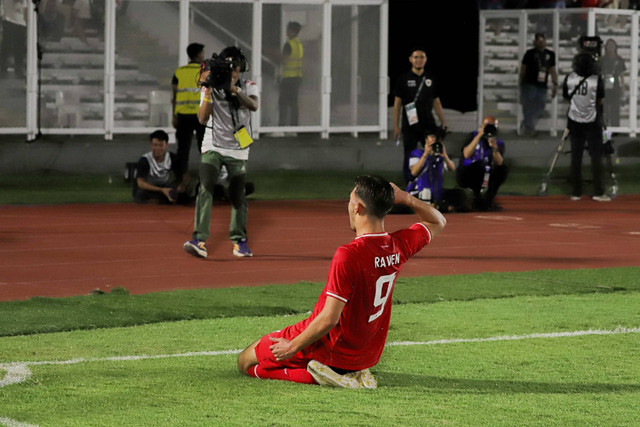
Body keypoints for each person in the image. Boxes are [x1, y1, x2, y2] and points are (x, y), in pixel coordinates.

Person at [236, 175, 446, 388]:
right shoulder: (399, 245)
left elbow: (328, 319)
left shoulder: (349, 254)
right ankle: (345, 372)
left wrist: (292, 346)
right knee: (269, 361)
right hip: (365, 354)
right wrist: (405, 198)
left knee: (245, 362)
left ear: (358, 208)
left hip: (332, 349)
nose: (348, 206)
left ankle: (326, 376)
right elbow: (438, 220)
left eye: (350, 200)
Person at [183, 46, 259, 259]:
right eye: (228, 67)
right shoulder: (212, 86)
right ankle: (199, 240)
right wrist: (207, 91)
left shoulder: (249, 85)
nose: (232, 72)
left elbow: (253, 106)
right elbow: (202, 119)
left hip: (238, 149)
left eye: (234, 67)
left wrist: (235, 90)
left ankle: (239, 241)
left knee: (237, 195)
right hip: (212, 145)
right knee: (205, 188)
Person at [393, 47, 448, 183]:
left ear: (426, 60)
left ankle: (433, 176)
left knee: (433, 149)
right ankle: (409, 179)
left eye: (421, 57)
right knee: (409, 152)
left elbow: (437, 102)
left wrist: (443, 121)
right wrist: (395, 125)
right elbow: (397, 104)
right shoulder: (403, 79)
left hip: (428, 123)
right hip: (410, 123)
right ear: (410, 60)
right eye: (416, 57)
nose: (419, 60)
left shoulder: (431, 79)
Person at [562, 51, 610, 202]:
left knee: (576, 157)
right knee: (596, 157)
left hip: (574, 121)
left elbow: (566, 97)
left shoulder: (569, 78)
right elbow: (600, 100)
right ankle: (598, 191)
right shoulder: (596, 80)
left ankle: (576, 191)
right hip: (592, 122)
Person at [406, 132, 470, 213]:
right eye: (431, 137)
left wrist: (445, 156)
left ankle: (441, 207)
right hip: (419, 191)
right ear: (426, 140)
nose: (434, 140)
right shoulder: (417, 153)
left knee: (459, 194)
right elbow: (414, 172)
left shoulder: (440, 156)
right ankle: (441, 207)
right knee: (426, 195)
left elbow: (452, 168)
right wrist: (425, 155)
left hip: (436, 193)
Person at [456, 116, 508, 211]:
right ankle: (476, 198)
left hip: (486, 174)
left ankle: (488, 200)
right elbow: (466, 154)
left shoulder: (498, 143)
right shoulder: (473, 136)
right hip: (468, 173)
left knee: (503, 169)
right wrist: (479, 135)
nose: (489, 128)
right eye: (486, 126)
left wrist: (494, 147)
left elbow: (499, 162)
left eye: (492, 126)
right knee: (479, 165)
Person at [172, 42, 207, 173]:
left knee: (182, 149)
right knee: (204, 148)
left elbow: (174, 95)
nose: (204, 55)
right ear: (198, 54)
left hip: (183, 116)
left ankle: (181, 177)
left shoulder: (179, 72)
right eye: (203, 52)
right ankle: (207, 177)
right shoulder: (205, 72)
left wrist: (174, 115)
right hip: (201, 116)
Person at [133, 130, 190, 204]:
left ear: (166, 146)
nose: (157, 148)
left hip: (166, 186)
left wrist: (180, 186)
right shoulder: (145, 160)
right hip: (151, 187)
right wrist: (161, 190)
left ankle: (160, 200)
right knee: (140, 193)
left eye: (160, 145)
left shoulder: (172, 158)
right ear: (151, 145)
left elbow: (184, 176)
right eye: (155, 145)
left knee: (183, 196)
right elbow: (141, 183)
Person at [519, 33, 558, 136]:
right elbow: (523, 69)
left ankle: (527, 123)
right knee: (528, 105)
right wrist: (521, 83)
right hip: (529, 83)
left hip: (542, 85)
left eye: (542, 40)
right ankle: (530, 127)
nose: (541, 42)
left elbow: (552, 70)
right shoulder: (529, 53)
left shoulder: (550, 54)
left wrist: (555, 84)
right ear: (535, 41)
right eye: (538, 40)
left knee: (540, 106)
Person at [279, 21, 303, 127]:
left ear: (292, 31)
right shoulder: (299, 44)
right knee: (294, 104)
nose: (286, 32)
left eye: (288, 30)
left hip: (288, 78)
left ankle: (282, 127)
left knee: (283, 103)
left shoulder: (288, 44)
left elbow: (284, 61)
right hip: (297, 77)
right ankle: (294, 127)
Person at [600, 38, 626, 127]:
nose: (610, 48)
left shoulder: (620, 60)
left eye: (612, 46)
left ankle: (616, 131)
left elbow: (622, 76)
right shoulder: (602, 60)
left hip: (616, 88)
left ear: (616, 47)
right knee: (605, 110)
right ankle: (606, 132)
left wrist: (623, 90)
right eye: (608, 46)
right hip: (605, 87)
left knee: (615, 110)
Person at [0, 0, 27, 79]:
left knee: (19, 47)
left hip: (21, 23)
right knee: (7, 46)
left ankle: (18, 69)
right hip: (9, 20)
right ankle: (3, 69)